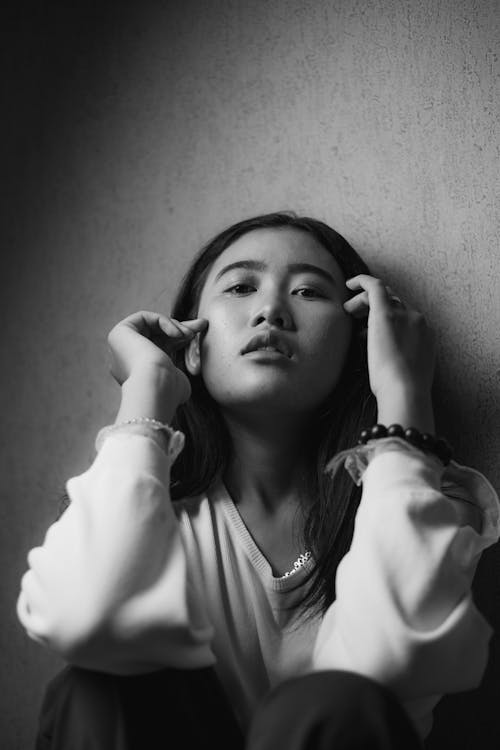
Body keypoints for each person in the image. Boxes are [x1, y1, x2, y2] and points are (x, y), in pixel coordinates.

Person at [17, 213, 499, 749]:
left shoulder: (419, 500)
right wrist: (148, 389)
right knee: (93, 688)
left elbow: (387, 673)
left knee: (332, 702)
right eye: (242, 287)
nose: (271, 310)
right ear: (192, 348)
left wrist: (404, 396)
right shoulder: (137, 509)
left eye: (309, 292)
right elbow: (88, 620)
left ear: (358, 345)